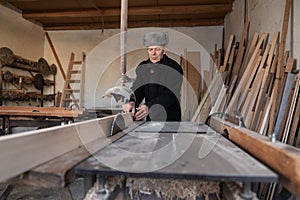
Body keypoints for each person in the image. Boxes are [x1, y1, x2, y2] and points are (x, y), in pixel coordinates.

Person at [122, 31, 183, 121]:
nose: (153, 53)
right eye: (150, 49)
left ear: (164, 50)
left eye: (157, 49)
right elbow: (138, 88)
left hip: (170, 117)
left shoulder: (174, 68)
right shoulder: (143, 67)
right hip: (151, 118)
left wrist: (149, 106)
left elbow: (170, 95)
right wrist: (132, 101)